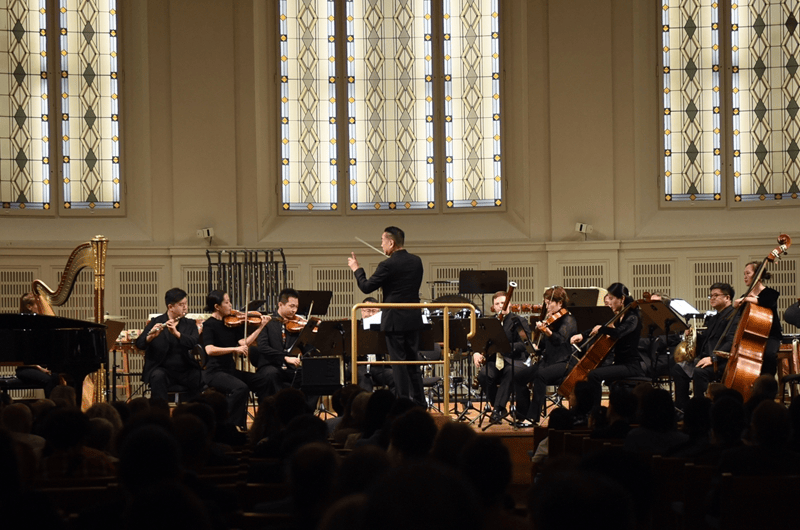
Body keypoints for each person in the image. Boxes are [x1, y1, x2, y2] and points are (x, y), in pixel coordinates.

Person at [348, 226, 425, 406]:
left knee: (398, 364)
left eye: (383, 242)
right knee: (413, 362)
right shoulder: (417, 261)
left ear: (391, 242)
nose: (381, 245)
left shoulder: (387, 264)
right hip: (413, 318)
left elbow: (366, 287)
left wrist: (356, 268)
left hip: (395, 320)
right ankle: (421, 403)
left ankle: (403, 403)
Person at [201, 290, 271, 427]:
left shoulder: (231, 322)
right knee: (241, 388)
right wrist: (234, 349)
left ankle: (263, 423)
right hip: (214, 372)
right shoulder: (209, 324)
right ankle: (232, 425)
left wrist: (261, 327)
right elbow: (209, 349)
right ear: (217, 307)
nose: (231, 305)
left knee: (264, 381)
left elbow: (243, 343)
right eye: (227, 302)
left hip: (229, 370)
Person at [670, 283, 739, 413]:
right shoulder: (713, 318)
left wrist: (713, 358)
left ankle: (700, 410)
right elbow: (706, 340)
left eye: (716, 295)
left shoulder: (734, 317)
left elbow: (731, 342)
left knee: (699, 372)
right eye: (710, 295)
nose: (712, 298)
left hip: (722, 361)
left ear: (727, 297)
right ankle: (682, 408)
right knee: (678, 368)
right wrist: (693, 335)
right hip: (705, 359)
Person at [570, 283, 643, 403]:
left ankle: (596, 411)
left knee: (594, 375)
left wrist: (602, 329)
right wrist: (582, 335)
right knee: (593, 373)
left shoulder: (632, 317)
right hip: (619, 363)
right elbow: (600, 327)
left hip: (630, 365)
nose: (608, 301)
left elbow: (618, 332)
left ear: (622, 299)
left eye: (611, 298)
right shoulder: (619, 316)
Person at [514, 286, 576, 425]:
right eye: (546, 303)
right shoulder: (551, 320)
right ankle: (522, 415)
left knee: (540, 376)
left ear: (560, 303)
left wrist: (547, 331)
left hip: (564, 362)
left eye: (549, 303)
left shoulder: (569, 319)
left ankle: (533, 418)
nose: (546, 307)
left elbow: (560, 340)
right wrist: (537, 346)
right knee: (519, 378)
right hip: (548, 361)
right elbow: (545, 346)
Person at [251, 288, 319, 409]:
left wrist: (310, 333)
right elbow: (263, 347)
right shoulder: (267, 322)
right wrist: (285, 358)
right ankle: (278, 412)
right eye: (291, 306)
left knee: (313, 376)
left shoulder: (297, 324)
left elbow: (306, 348)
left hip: (291, 368)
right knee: (271, 375)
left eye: (296, 307)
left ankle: (305, 414)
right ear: (280, 304)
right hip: (270, 365)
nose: (294, 310)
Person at [472, 290, 533, 424]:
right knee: (484, 375)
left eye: (503, 303)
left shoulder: (519, 321)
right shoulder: (490, 322)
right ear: (494, 306)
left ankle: (497, 411)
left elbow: (525, 345)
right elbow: (480, 342)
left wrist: (505, 346)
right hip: (495, 361)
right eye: (497, 304)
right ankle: (498, 407)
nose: (500, 306)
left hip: (514, 361)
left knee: (509, 373)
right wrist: (476, 353)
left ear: (509, 303)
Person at [135, 288, 202, 402]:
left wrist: (177, 334)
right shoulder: (156, 321)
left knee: (200, 376)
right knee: (157, 376)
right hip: (162, 369)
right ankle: (160, 415)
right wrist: (150, 337)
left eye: (186, 303)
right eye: (181, 304)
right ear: (170, 307)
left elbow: (194, 342)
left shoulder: (190, 324)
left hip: (185, 369)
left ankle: (193, 413)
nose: (185, 307)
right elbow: (139, 344)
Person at [734, 261, 782, 376]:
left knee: (768, 355)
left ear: (758, 275)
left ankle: (767, 383)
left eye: (748, 273)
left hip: (771, 336)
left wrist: (746, 299)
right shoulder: (744, 297)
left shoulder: (770, 293)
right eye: (744, 274)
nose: (745, 277)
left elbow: (765, 300)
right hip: (750, 336)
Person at [13, 293, 62, 397]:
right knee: (48, 380)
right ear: (29, 307)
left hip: (40, 367)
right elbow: (22, 356)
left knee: (57, 377)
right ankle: (51, 409)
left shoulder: (40, 326)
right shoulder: (22, 327)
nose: (41, 307)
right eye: (38, 305)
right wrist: (40, 368)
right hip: (25, 368)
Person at [346, 297, 395, 392]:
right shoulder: (353, 327)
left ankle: (394, 406)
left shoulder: (383, 328)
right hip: (359, 365)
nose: (371, 314)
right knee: (365, 380)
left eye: (374, 311)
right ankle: (366, 406)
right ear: (362, 311)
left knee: (395, 377)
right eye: (368, 311)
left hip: (378, 365)